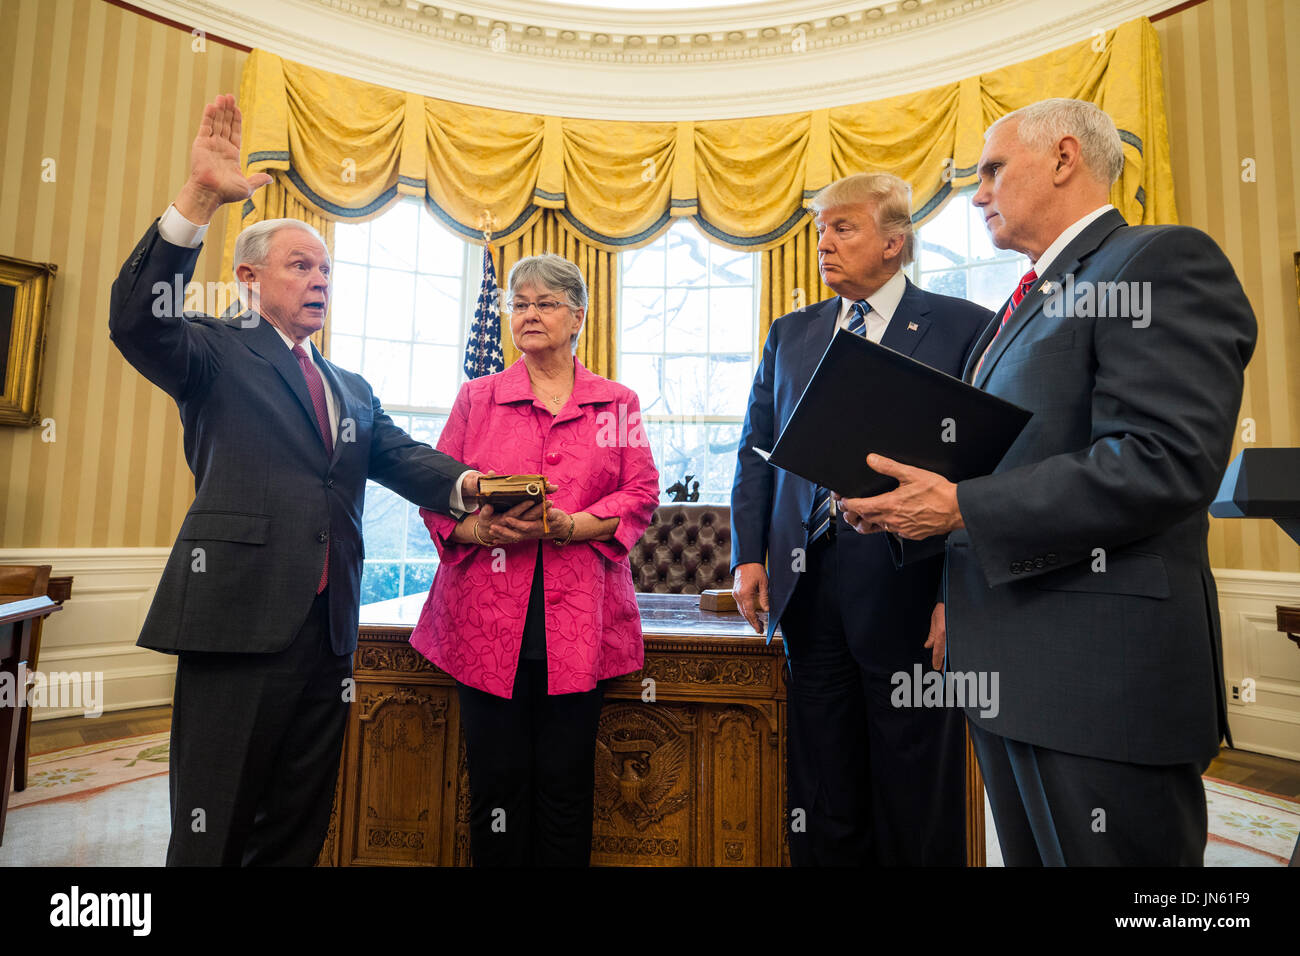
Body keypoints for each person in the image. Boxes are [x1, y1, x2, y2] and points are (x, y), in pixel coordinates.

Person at [838, 98, 1257, 865]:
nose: (977, 194)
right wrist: (909, 507)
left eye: (993, 169)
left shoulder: (1157, 260)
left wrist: (961, 507)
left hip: (1100, 683)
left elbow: (1163, 460)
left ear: (1065, 157)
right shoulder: (1022, 299)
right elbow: (1000, 465)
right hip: (1008, 673)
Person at [109, 94, 480, 866]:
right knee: (216, 823)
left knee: (299, 821)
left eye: (327, 268)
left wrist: (473, 486)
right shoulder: (210, 350)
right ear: (248, 277)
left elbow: (403, 457)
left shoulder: (349, 384)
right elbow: (135, 319)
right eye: (301, 264)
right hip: (238, 617)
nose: (320, 279)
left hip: (330, 629)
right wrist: (198, 198)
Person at [729, 172, 992, 865]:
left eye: (841, 227)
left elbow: (982, 469)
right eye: (819, 228)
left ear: (893, 242)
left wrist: (956, 596)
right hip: (805, 589)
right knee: (821, 778)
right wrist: (749, 555)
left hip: (910, 590)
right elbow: (756, 451)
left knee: (914, 779)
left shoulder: (964, 327)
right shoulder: (790, 334)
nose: (823, 242)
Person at [409, 253, 659, 866]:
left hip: (579, 624)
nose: (528, 314)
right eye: (519, 304)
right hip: (486, 624)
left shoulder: (615, 403)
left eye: (544, 303)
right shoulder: (478, 397)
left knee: (565, 785)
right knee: (496, 787)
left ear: (577, 317)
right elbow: (435, 489)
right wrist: (478, 531)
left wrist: (573, 524)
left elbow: (641, 493)